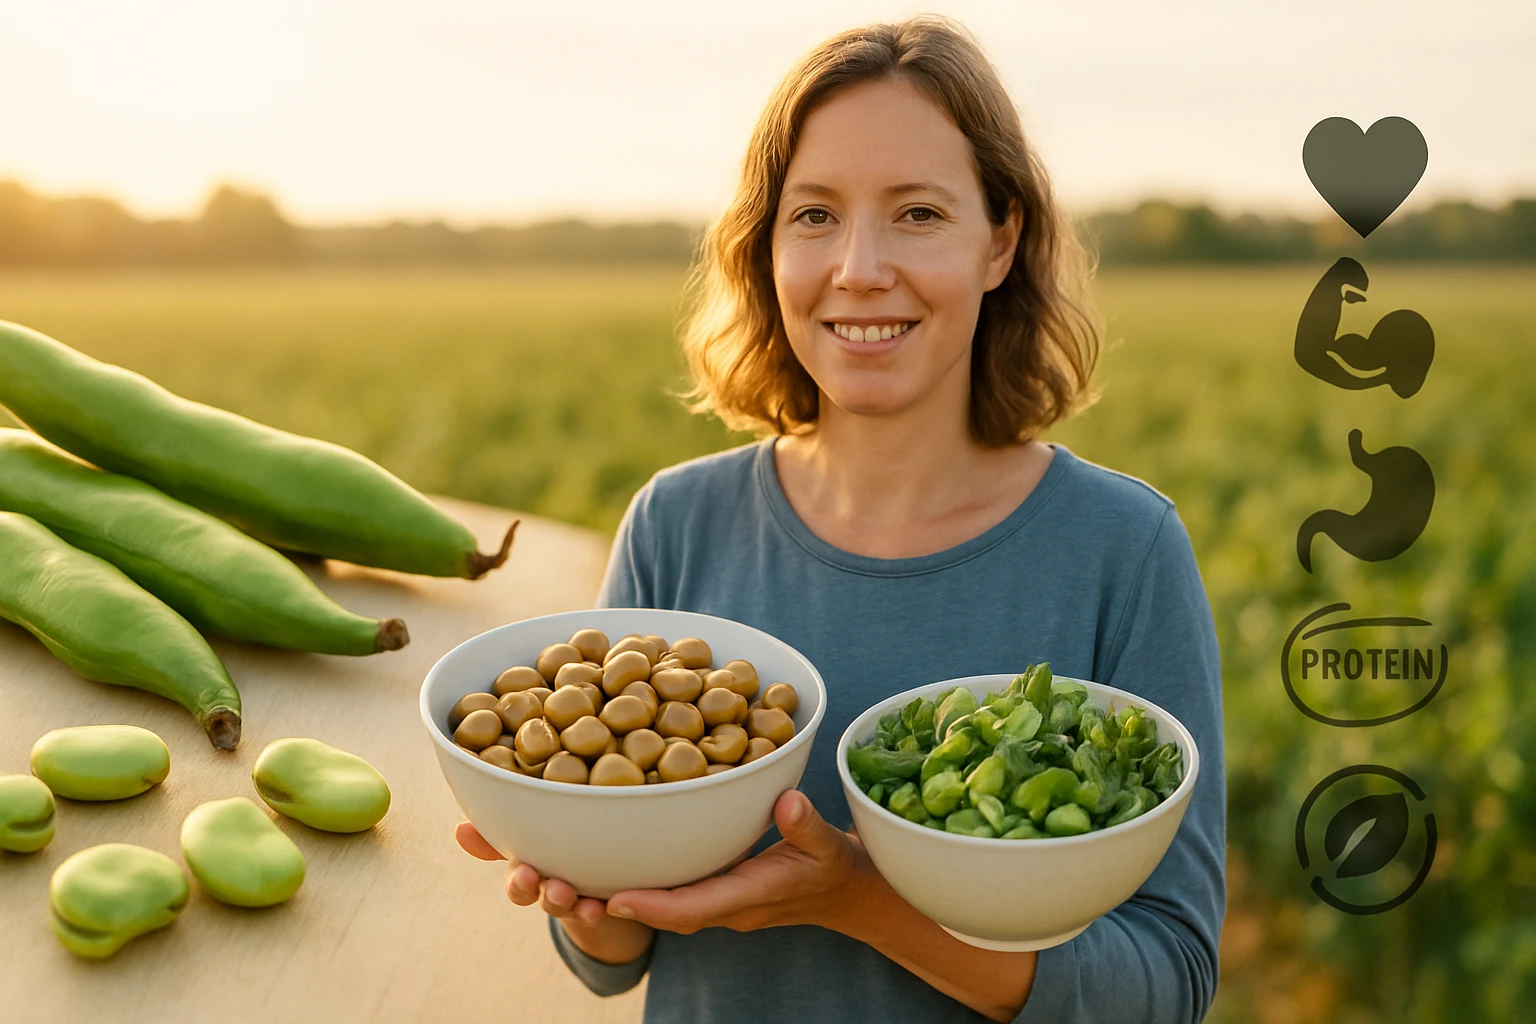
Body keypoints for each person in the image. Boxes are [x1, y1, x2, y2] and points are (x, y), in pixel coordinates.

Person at [455, 14, 1225, 1023]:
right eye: (813, 216)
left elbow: (1168, 983)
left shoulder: (1122, 552)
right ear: (766, 246)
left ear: (1001, 240)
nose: (859, 267)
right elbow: (611, 961)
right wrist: (587, 894)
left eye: (916, 214)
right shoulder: (676, 523)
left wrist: (863, 900)